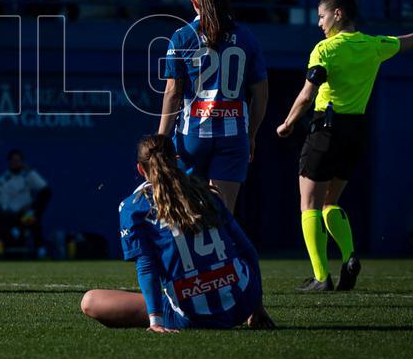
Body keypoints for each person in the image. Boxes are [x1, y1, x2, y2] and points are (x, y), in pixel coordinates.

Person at [276, 0, 413, 291]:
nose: (318, 23)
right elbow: (411, 41)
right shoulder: (373, 44)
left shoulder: (325, 49)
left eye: (321, 16)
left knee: (309, 205)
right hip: (355, 131)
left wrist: (287, 123)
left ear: (337, 14)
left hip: (325, 129)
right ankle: (350, 255)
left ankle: (320, 277)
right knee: (331, 203)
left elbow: (306, 93)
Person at [80, 134, 275, 333]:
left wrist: (155, 321)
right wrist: (256, 307)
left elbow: (147, 267)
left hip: (193, 316)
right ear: (177, 159)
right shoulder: (206, 192)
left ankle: (165, 309)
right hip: (242, 304)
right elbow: (247, 250)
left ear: (140, 169)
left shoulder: (134, 206)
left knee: (91, 300)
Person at [158, 0, 269, 211]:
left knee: (189, 213)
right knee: (223, 215)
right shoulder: (246, 36)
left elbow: (173, 93)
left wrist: (162, 139)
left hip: (193, 136)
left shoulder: (182, 36)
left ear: (193, 1)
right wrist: (251, 135)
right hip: (233, 135)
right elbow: (261, 95)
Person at [0, 149, 51, 254]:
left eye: (18, 160)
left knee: (32, 219)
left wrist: (32, 206)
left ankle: (40, 250)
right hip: (10, 216)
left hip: (27, 214)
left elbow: (46, 190)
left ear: (22, 162)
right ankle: (3, 248)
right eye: (13, 160)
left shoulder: (28, 175)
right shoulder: (3, 179)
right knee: (5, 224)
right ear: (9, 162)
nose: (15, 163)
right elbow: (2, 202)